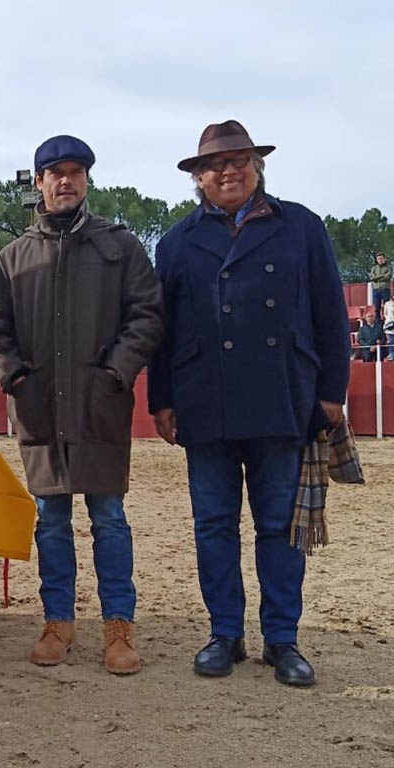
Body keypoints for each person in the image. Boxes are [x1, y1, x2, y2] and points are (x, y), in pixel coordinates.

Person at [148, 120, 350, 687]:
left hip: (283, 395)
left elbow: (330, 314)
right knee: (213, 525)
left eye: (239, 159)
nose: (228, 170)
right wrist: (161, 398)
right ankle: (225, 635)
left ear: (257, 166)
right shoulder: (177, 242)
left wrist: (331, 391)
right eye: (215, 164)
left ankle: (282, 640)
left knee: (278, 526)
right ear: (199, 177)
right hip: (203, 400)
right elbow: (163, 331)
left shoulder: (302, 227)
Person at [0, 136, 163, 675]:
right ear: (38, 182)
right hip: (40, 409)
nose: (65, 181)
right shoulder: (13, 258)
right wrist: (12, 376)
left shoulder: (120, 246)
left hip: (99, 404)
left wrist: (117, 371)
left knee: (110, 518)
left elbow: (147, 315)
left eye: (75, 171)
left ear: (87, 179)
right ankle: (57, 622)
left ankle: (118, 627)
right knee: (51, 520)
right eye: (54, 172)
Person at [369, 251, 391, 320]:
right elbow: (371, 277)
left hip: (385, 290)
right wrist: (382, 276)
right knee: (376, 308)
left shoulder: (388, 267)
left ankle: (387, 323)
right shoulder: (374, 268)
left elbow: (388, 277)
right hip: (376, 290)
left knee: (387, 308)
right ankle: (378, 325)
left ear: (384, 259)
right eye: (378, 259)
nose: (380, 260)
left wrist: (376, 278)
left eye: (381, 258)